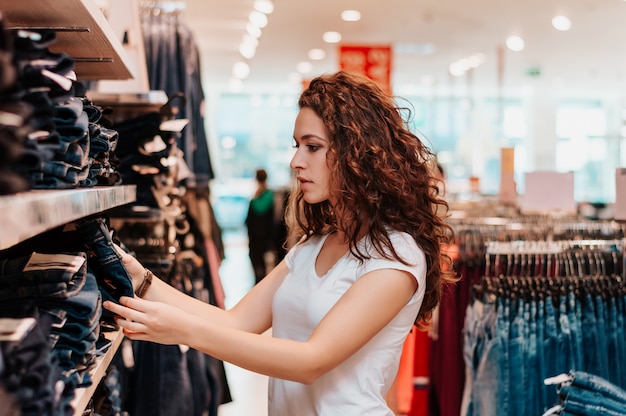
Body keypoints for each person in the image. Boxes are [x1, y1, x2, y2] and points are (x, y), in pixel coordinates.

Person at [103, 71, 457, 416]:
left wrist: (185, 331)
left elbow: (310, 361)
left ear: (358, 153)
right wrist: (141, 278)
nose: (295, 162)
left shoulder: (396, 257)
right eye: (297, 146)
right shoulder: (314, 245)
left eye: (313, 147)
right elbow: (237, 323)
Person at [245, 168, 275, 283]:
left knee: (257, 269)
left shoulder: (254, 199)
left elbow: (248, 222)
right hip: (267, 240)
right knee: (266, 267)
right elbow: (274, 222)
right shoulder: (271, 197)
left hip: (255, 241)